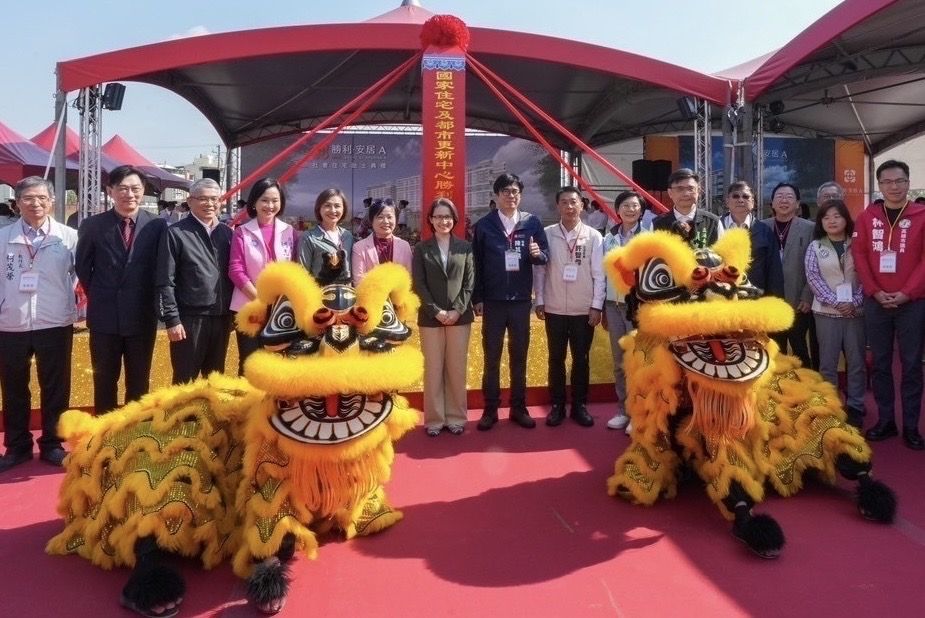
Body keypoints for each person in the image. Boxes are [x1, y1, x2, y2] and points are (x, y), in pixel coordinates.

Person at [0, 177, 78, 471]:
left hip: (54, 321)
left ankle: (52, 444)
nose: (36, 204)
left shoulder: (68, 237)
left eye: (42, 198)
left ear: (52, 201)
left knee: (56, 386)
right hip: (11, 322)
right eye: (28, 198)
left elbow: (79, 275)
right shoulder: (2, 237)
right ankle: (17, 446)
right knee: (14, 387)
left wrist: (70, 304)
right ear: (17, 202)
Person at [76, 165, 167, 414]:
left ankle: (133, 434)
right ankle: (104, 434)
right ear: (110, 191)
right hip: (105, 317)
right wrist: (103, 294)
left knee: (139, 381)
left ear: (143, 191)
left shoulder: (157, 226)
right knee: (104, 380)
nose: (129, 194)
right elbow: (83, 267)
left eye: (135, 188)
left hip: (142, 316)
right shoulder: (93, 225)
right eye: (123, 188)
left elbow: (162, 269)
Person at [851, 160, 925, 450]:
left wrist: (908, 292)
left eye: (900, 181)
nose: (894, 187)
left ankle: (911, 426)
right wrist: (874, 291)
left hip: (913, 302)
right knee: (880, 364)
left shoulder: (921, 215)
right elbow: (860, 256)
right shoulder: (867, 217)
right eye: (887, 182)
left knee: (911, 366)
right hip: (876, 301)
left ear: (908, 183)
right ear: (879, 185)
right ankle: (885, 420)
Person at [472, 172, 549, 430]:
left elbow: (544, 256)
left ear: (520, 195)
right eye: (505, 191)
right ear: (496, 196)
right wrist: (478, 298)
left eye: (515, 191)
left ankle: (518, 408)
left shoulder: (532, 222)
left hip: (520, 301)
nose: (511, 196)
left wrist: (538, 254)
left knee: (519, 356)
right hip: (493, 302)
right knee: (491, 357)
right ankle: (490, 410)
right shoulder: (484, 225)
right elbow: (477, 265)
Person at [534, 186, 605, 427]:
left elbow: (599, 274)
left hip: (583, 309)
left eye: (574, 202)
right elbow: (540, 271)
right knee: (555, 358)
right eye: (564, 202)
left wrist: (596, 306)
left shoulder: (595, 236)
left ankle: (579, 405)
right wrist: (540, 300)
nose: (569, 206)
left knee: (581, 359)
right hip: (553, 308)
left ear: (582, 205)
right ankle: (556, 405)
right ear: (558, 206)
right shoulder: (547, 234)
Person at [157, 178, 234, 384]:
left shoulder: (227, 233)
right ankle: (181, 418)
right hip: (190, 320)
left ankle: (208, 417)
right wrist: (172, 319)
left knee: (215, 380)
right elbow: (165, 280)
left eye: (214, 199)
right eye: (203, 199)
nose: (210, 204)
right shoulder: (176, 233)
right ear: (190, 201)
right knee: (184, 380)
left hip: (221, 317)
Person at [411, 198, 474, 437]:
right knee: (434, 369)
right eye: (438, 216)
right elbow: (419, 284)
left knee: (457, 369)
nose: (443, 221)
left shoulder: (465, 247)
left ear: (454, 219)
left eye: (447, 216)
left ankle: (457, 418)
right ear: (430, 220)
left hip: (460, 316)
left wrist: (457, 309)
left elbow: (469, 283)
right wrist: (435, 311)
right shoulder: (421, 249)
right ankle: (435, 420)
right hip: (430, 318)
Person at [805, 199, 866, 428]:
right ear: (821, 221)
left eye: (837, 216)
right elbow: (813, 277)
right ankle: (830, 405)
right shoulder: (815, 246)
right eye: (826, 217)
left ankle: (856, 406)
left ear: (845, 219)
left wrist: (855, 301)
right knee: (828, 363)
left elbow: (865, 273)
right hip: (826, 313)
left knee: (857, 361)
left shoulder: (858, 243)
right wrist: (835, 302)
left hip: (855, 313)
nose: (832, 221)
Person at [229, 178, 296, 374]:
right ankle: (247, 404)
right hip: (249, 307)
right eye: (264, 200)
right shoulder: (242, 232)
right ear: (254, 203)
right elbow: (235, 269)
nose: (270, 206)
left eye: (275, 200)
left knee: (278, 361)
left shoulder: (289, 231)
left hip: (281, 308)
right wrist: (260, 299)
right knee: (250, 361)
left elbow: (293, 268)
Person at [602, 191, 651, 431]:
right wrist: (600, 304)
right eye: (625, 206)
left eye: (635, 206)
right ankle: (622, 410)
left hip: (638, 305)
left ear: (641, 211)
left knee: (638, 360)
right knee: (619, 360)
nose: (630, 210)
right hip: (613, 305)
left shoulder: (648, 238)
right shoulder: (609, 238)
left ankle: (639, 413)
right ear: (617, 210)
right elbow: (602, 273)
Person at [762, 182, 816, 368]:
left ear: (798, 203)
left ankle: (807, 391)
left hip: (799, 301)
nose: (784, 201)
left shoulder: (810, 228)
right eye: (780, 197)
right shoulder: (761, 227)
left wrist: (808, 296)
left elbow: (815, 266)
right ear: (772, 203)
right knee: (774, 350)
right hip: (770, 302)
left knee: (800, 349)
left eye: (789, 197)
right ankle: (778, 392)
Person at [722, 181, 784, 297]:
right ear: (727, 201)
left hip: (755, 297)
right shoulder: (716, 227)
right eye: (736, 196)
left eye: (746, 196)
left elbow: (774, 270)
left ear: (753, 203)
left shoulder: (764, 231)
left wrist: (775, 301)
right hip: (721, 297)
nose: (740, 200)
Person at [653, 168, 724, 248]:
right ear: (670, 193)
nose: (686, 194)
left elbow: (722, 255)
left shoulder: (713, 222)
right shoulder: (657, 224)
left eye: (691, 189)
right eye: (680, 189)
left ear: (698, 191)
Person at [298, 188, 354, 284]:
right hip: (320, 296)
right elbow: (302, 275)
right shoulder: (308, 237)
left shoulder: (348, 236)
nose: (333, 210)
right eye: (327, 205)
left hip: (346, 295)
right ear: (319, 208)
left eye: (337, 206)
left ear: (343, 209)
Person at [352, 197, 412, 285]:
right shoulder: (359, 247)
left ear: (396, 219)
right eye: (380, 217)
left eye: (390, 217)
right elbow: (359, 281)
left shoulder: (404, 246)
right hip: (371, 297)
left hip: (399, 297)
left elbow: (409, 278)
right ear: (371, 221)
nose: (386, 221)